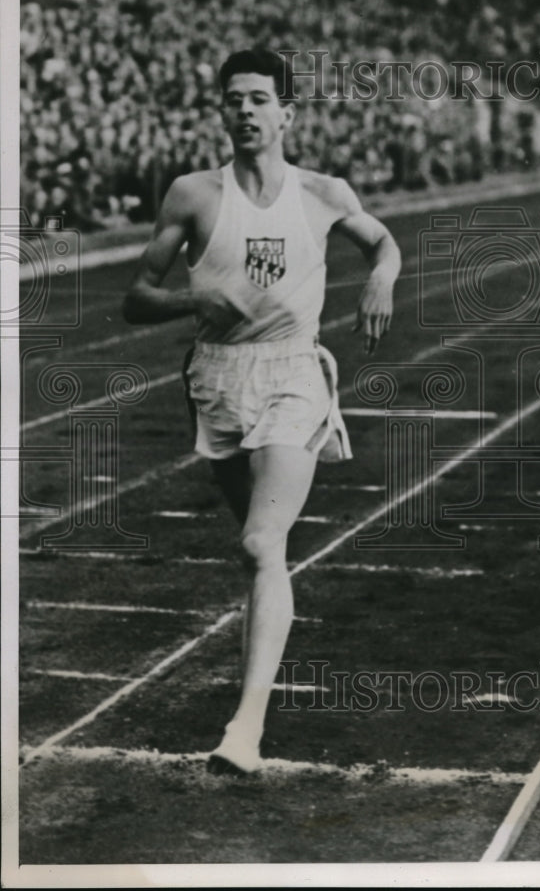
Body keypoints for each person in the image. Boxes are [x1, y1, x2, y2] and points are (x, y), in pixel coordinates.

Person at [122, 47, 401, 775]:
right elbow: (136, 296)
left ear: (286, 113)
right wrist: (194, 298)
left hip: (293, 371)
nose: (244, 111)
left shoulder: (321, 192)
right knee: (263, 556)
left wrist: (382, 277)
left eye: (258, 99)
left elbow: (383, 241)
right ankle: (256, 692)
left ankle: (244, 728)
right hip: (217, 378)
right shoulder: (193, 195)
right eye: (233, 99)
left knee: (258, 543)